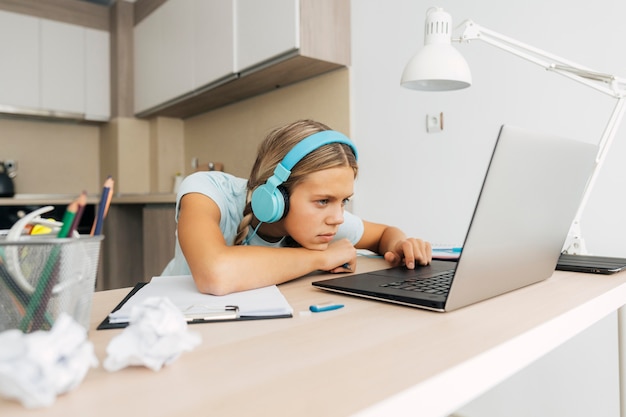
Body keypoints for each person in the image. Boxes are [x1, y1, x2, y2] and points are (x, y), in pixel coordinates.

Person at [162, 119, 432, 295]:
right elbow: (215, 274)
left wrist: (401, 246)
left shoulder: (320, 222)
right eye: (323, 201)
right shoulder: (207, 192)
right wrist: (320, 258)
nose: (338, 218)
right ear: (275, 197)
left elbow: (385, 234)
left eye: (344, 201)